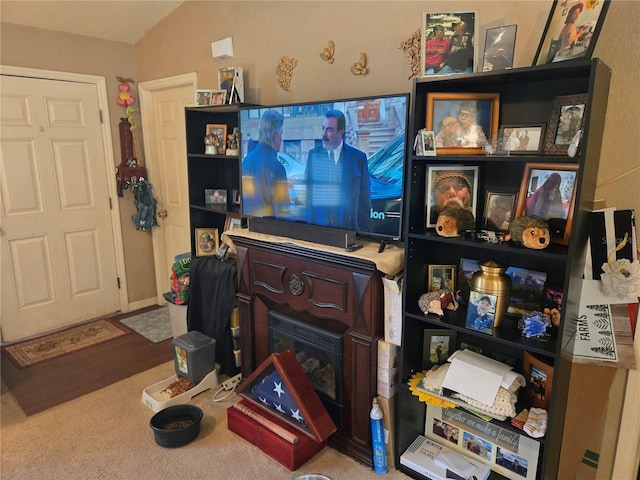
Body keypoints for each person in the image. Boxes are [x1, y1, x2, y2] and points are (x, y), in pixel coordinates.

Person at [305, 109, 371, 231]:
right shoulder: (313, 155)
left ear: (341, 133)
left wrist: (364, 236)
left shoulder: (358, 158)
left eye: (329, 129)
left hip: (347, 231)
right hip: (319, 231)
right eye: (323, 128)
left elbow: (364, 203)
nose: (324, 134)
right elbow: (307, 195)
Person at [241, 110, 290, 219]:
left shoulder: (246, 160)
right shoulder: (277, 168)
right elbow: (283, 212)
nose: (281, 139)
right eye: (281, 134)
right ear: (275, 136)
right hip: (270, 232)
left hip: (250, 228)